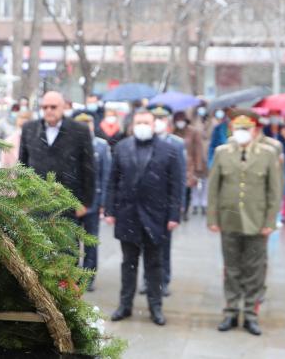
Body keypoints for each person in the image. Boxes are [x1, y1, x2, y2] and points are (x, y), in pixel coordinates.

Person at [105, 109, 183, 326]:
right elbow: (112, 181)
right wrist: (110, 210)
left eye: (146, 122)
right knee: (128, 264)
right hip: (127, 214)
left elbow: (176, 185)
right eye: (138, 122)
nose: (142, 125)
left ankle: (155, 307)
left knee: (154, 265)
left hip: (156, 216)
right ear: (132, 125)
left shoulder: (169, 149)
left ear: (154, 124)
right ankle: (125, 304)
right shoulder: (122, 147)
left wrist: (174, 214)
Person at [207, 110, 281, 336]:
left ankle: (250, 313)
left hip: (257, 221)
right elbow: (213, 189)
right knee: (231, 269)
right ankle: (230, 311)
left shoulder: (268, 153)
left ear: (255, 130)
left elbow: (274, 191)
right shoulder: (222, 153)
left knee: (254, 269)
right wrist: (213, 218)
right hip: (229, 219)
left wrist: (270, 221)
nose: (241, 133)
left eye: (246, 129)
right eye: (238, 129)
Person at [19, 91, 95, 217]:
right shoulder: (29, 128)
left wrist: (85, 202)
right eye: (45, 107)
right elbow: (22, 165)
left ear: (63, 107)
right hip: (36, 201)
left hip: (68, 200)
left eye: (53, 107)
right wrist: (22, 198)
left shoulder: (79, 130)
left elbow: (88, 167)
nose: (49, 110)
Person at [146, 107, 186, 296]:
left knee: (164, 246)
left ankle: (164, 280)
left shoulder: (176, 144)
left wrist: (177, 208)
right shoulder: (144, 141)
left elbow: (179, 178)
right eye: (156, 118)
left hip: (165, 204)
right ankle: (148, 280)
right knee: (146, 246)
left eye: (162, 118)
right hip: (146, 204)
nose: (159, 121)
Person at [73, 113, 112, 291]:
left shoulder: (101, 146)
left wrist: (104, 201)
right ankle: (72, 275)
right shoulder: (69, 145)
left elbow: (106, 176)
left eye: (88, 123)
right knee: (71, 241)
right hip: (72, 201)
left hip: (93, 202)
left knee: (90, 241)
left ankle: (88, 277)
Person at [174, 111, 208, 219]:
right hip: (176, 163)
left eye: (181, 120)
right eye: (177, 121)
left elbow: (198, 149)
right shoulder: (173, 132)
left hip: (190, 164)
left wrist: (198, 167)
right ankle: (178, 208)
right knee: (177, 188)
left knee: (188, 188)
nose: (180, 123)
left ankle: (185, 210)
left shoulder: (193, 132)